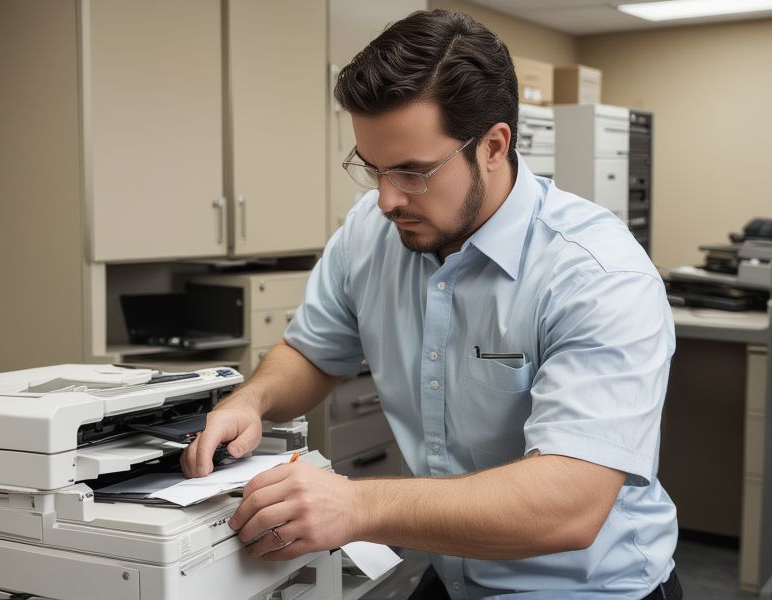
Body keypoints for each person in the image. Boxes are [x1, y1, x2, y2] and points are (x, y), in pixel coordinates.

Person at [181, 9, 681, 599]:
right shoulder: (371, 231)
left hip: (587, 588)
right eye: (372, 168)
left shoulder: (597, 273)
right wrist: (252, 400)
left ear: (493, 146)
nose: (387, 198)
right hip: (455, 571)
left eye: (413, 172)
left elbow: (569, 506)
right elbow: (313, 352)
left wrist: (356, 504)